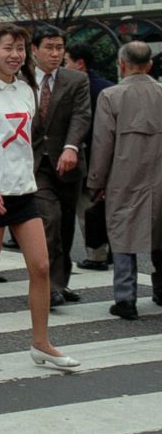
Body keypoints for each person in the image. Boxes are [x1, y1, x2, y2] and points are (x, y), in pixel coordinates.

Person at [0, 24, 78, 368]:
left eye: (20, 48)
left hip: (24, 191)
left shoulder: (27, 89)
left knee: (40, 266)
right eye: (8, 48)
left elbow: (28, 141)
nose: (15, 55)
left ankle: (41, 342)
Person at [88, 41, 162, 320]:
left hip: (124, 178)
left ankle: (126, 298)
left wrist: (96, 181)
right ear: (150, 65)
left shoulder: (111, 96)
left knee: (123, 236)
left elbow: (102, 143)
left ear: (122, 64)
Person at [30, 25, 91, 308]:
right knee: (49, 219)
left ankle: (61, 282)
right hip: (34, 163)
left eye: (59, 48)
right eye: (49, 48)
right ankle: (49, 285)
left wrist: (71, 147)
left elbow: (81, 116)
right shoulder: (21, 80)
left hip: (67, 163)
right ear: (34, 50)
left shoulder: (76, 80)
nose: (55, 54)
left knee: (66, 225)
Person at [64, 42, 114, 271]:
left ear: (79, 63)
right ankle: (115, 251)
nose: (64, 65)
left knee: (87, 210)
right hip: (113, 159)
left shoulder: (75, 89)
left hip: (85, 157)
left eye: (67, 61)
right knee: (112, 209)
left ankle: (97, 255)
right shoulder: (109, 88)